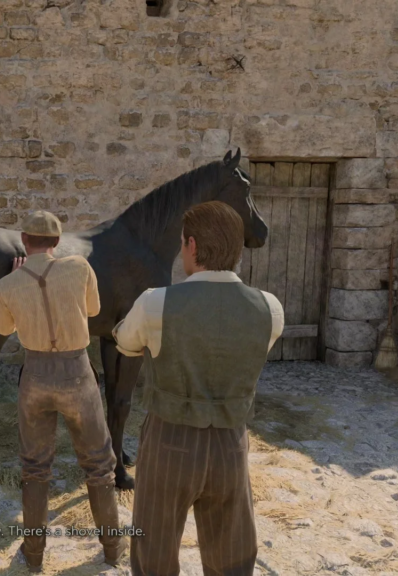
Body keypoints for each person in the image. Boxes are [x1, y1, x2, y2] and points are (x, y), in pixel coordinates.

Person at [113, 201, 284, 576]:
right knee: (233, 555)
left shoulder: (155, 302)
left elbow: (126, 344)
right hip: (230, 444)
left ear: (190, 245)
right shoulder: (269, 308)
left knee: (154, 551)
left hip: (168, 442)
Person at [0, 210, 127, 572]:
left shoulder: (9, 284)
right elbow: (94, 309)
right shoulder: (80, 267)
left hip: (34, 375)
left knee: (34, 469)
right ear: (56, 241)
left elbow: (4, 327)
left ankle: (34, 556)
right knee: (100, 466)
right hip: (76, 373)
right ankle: (113, 549)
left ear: (24, 239)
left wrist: (16, 280)